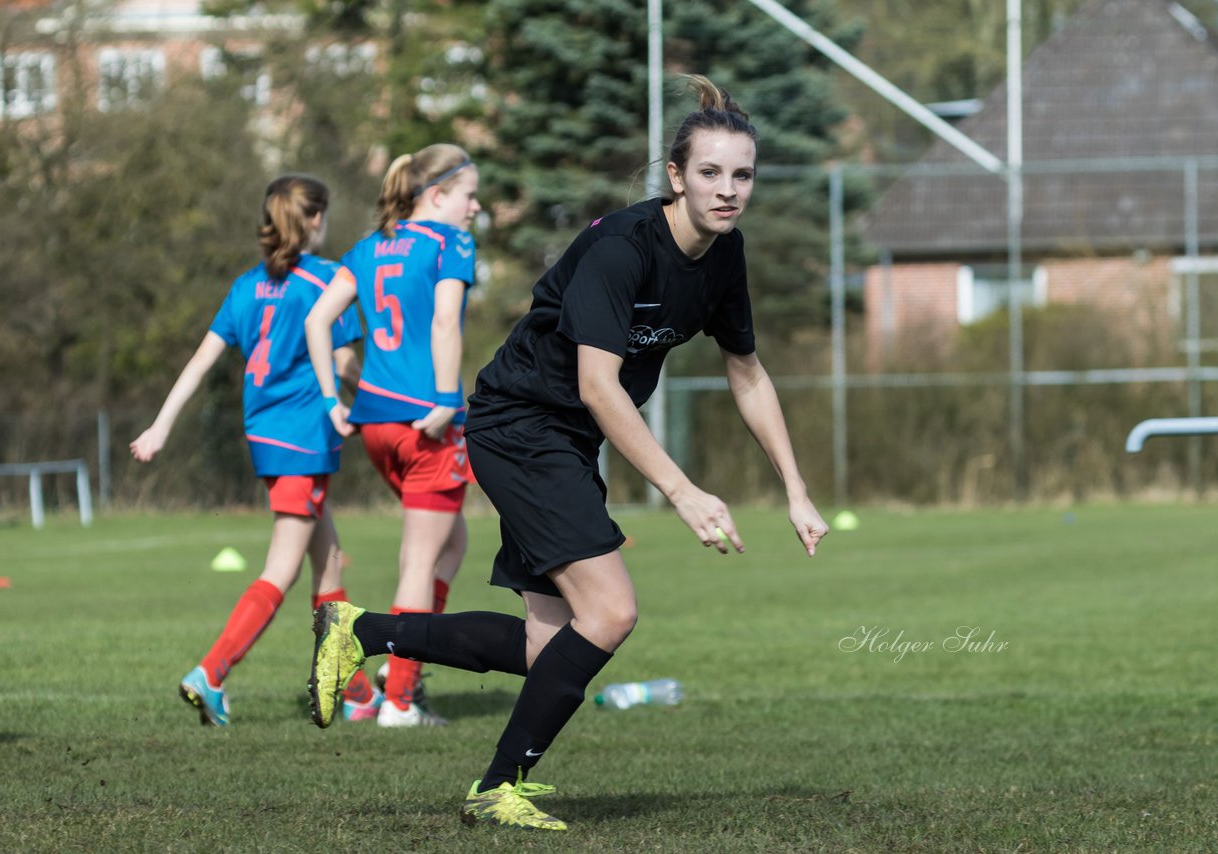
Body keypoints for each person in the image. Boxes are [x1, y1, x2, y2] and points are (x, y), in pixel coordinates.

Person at [307, 76, 829, 830]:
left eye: (742, 174)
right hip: (520, 426)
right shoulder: (621, 248)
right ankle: (495, 788)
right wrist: (682, 491)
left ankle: (359, 633)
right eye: (710, 173)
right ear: (676, 177)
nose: (728, 190)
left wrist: (795, 489)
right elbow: (598, 386)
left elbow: (746, 372)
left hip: (562, 438)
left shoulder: (724, 256)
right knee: (612, 612)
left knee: (546, 645)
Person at [131, 174, 381, 726]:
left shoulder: (246, 285)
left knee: (328, 559)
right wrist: (379, 401)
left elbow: (201, 361)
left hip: (266, 437)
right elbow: (343, 363)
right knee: (283, 569)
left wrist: (161, 426)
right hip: (304, 439)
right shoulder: (328, 281)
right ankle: (211, 673)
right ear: (315, 219)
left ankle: (359, 692)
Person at [305, 143, 481, 727]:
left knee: (448, 545)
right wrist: (446, 399)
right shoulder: (449, 242)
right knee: (421, 558)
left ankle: (396, 669)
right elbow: (443, 321)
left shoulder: (366, 247)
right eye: (469, 195)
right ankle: (400, 697)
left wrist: (335, 399)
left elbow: (317, 321)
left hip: (376, 423)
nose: (475, 208)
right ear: (437, 196)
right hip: (424, 421)